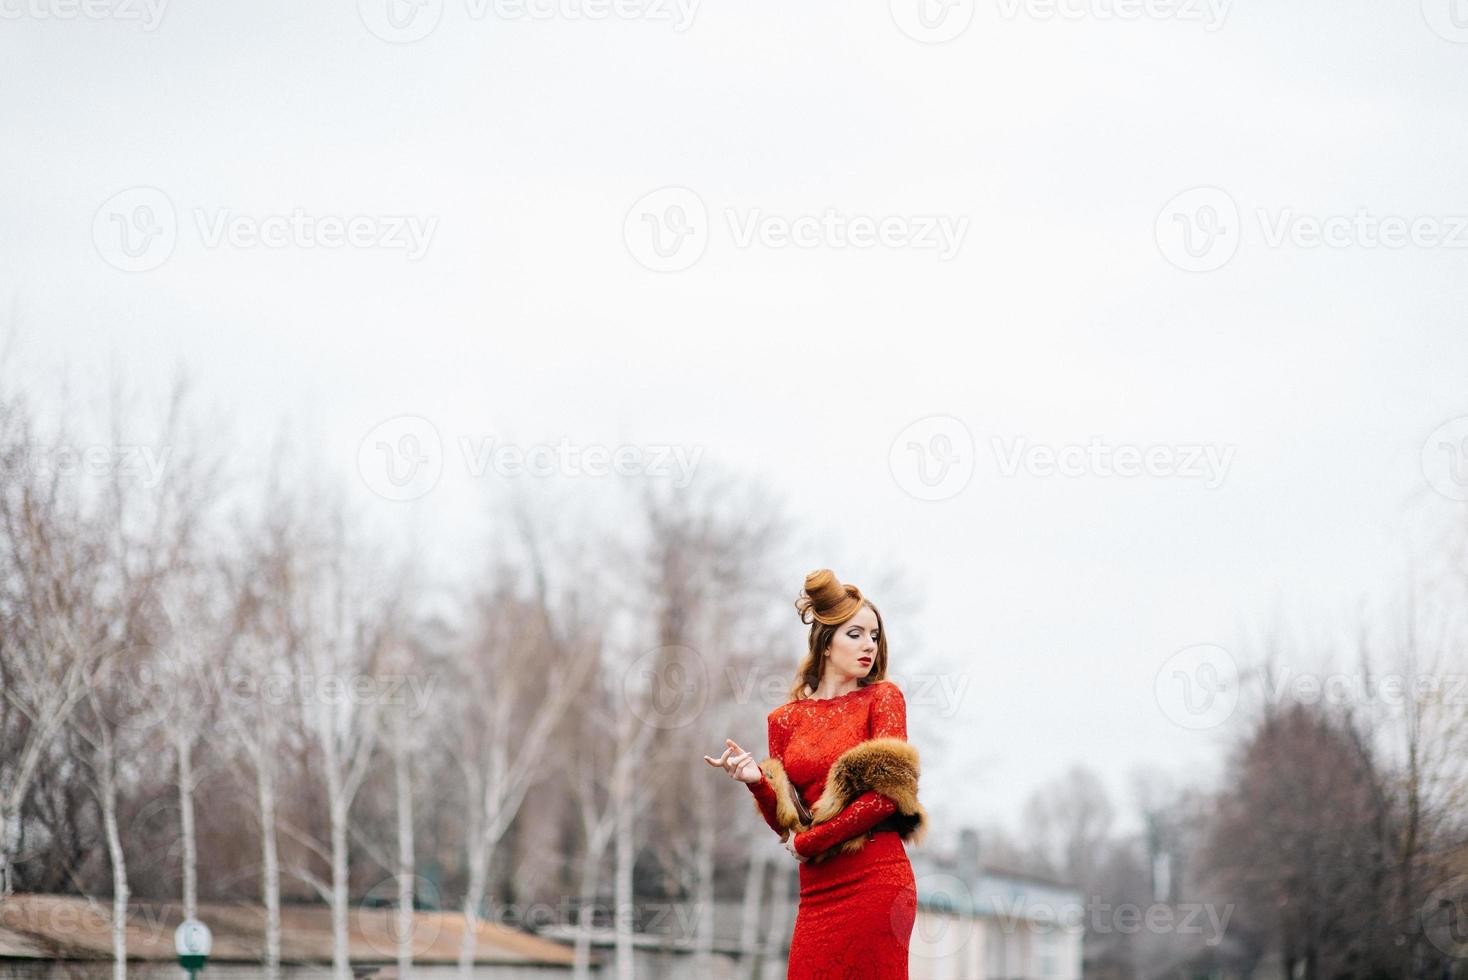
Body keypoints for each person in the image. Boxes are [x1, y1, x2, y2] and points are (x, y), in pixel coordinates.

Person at [704, 568, 928, 979]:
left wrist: (811, 841)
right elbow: (788, 823)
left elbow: (886, 796)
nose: (869, 646)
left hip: (876, 879)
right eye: (855, 634)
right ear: (826, 643)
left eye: (875, 636)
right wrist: (757, 782)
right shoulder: (784, 720)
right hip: (817, 889)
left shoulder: (883, 698)